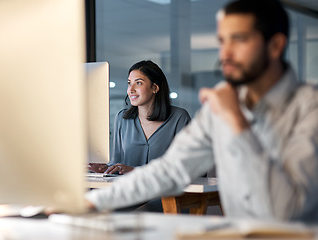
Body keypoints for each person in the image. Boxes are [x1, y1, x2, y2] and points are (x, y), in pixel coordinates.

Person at [85, 0, 318, 222]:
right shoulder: (223, 104)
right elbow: (170, 170)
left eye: (238, 40)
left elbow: (287, 209)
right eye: (222, 42)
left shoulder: (310, 108)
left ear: (275, 45)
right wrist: (92, 203)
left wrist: (236, 122)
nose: (225, 54)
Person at [88, 60, 191, 175]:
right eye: (129, 83)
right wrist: (106, 169)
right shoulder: (122, 118)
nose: (131, 90)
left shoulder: (179, 118)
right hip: (129, 191)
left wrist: (135, 171)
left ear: (155, 88)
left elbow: (186, 166)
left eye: (139, 83)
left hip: (166, 192)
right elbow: (118, 163)